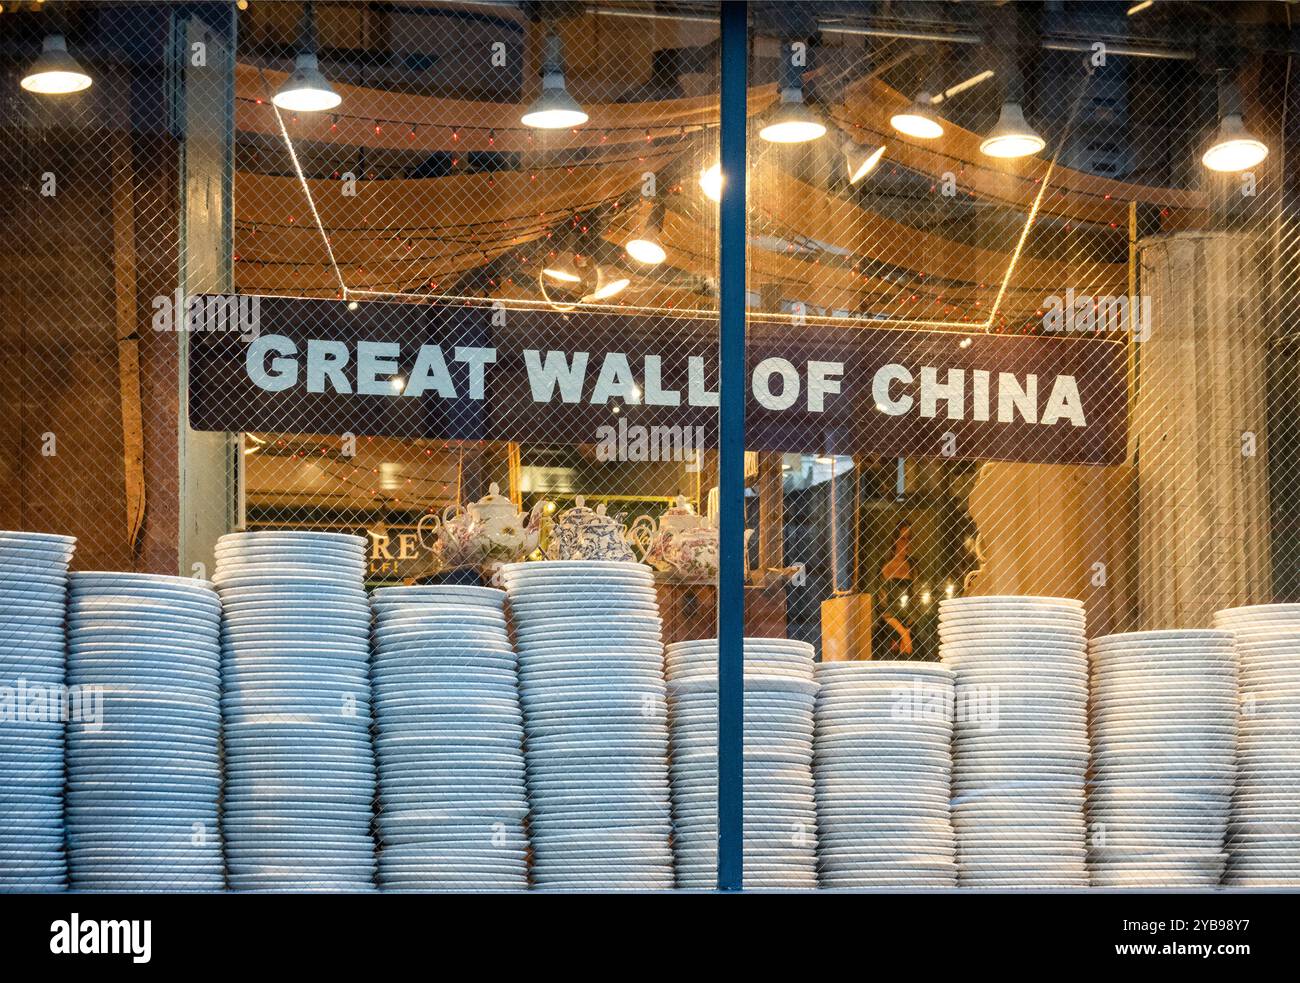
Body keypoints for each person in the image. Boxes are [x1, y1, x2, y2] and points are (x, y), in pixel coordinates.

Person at [874, 520, 917, 659]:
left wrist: (908, 631)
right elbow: (882, 606)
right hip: (888, 629)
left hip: (911, 627)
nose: (905, 543)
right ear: (894, 540)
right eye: (902, 538)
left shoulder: (913, 566)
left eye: (909, 539)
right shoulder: (885, 567)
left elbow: (917, 599)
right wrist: (902, 633)